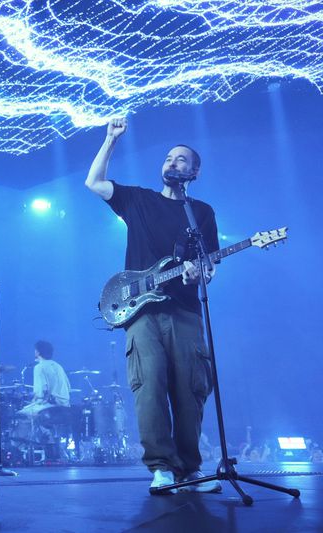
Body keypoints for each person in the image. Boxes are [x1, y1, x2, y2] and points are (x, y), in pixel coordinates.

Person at [85, 117, 221, 494]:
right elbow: (94, 183)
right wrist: (110, 140)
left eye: (181, 160)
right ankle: (161, 466)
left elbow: (208, 266)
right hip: (142, 312)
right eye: (169, 157)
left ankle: (190, 470)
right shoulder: (139, 200)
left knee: (191, 390)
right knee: (150, 387)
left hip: (186, 310)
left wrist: (200, 275)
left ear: (193, 171)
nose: (172, 162)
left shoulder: (202, 213)